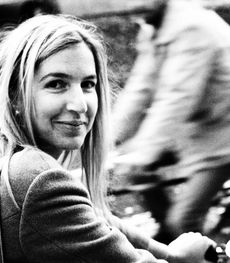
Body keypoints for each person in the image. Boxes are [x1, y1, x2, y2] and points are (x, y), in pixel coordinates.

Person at [0, 14, 214, 262]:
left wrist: (165, 252)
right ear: (14, 94)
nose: (79, 104)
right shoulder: (32, 180)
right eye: (56, 84)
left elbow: (92, 217)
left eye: (88, 84)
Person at [112, 0, 230, 243]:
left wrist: (144, 154)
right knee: (136, 173)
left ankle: (192, 247)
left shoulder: (192, 28)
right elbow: (140, 88)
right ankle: (170, 241)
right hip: (195, 130)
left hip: (222, 136)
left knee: (183, 219)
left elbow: (177, 99)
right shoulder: (155, 26)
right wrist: (107, 138)